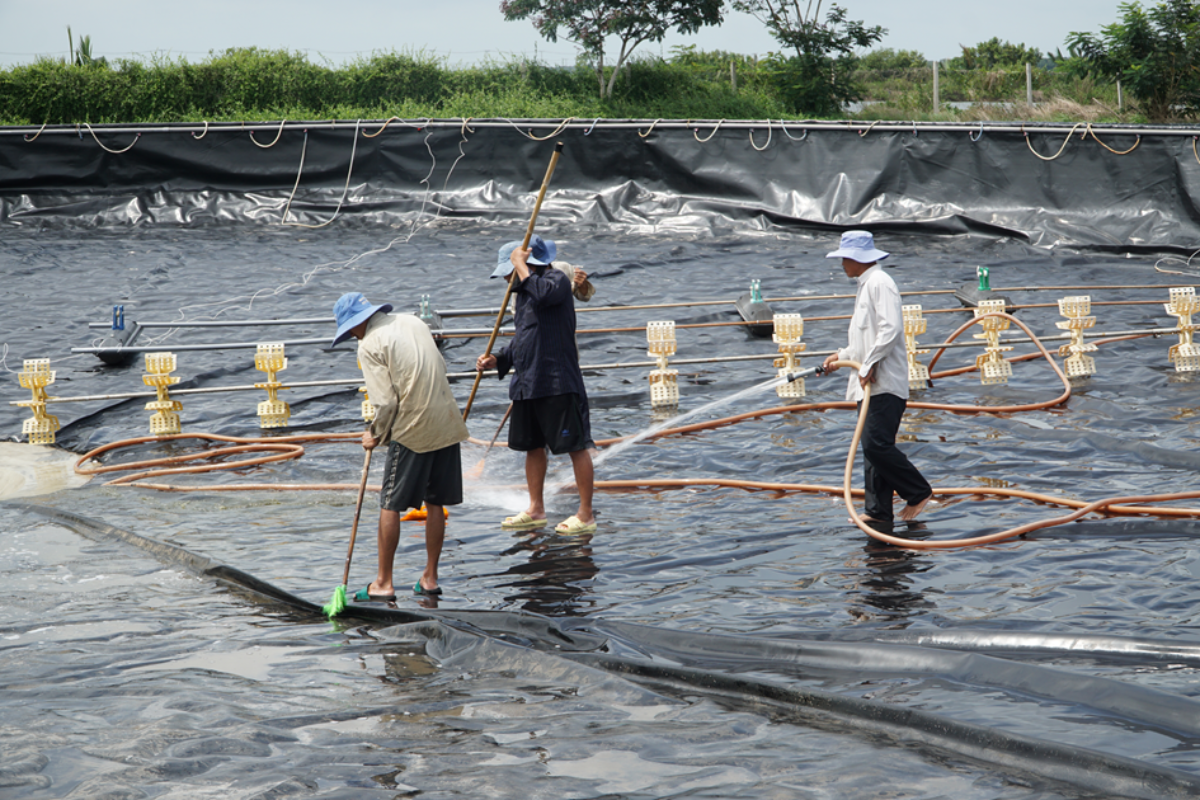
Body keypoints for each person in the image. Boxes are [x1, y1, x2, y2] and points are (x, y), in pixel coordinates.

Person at [331, 291, 470, 599]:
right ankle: (430, 579)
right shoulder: (412, 321)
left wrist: (375, 434)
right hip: (447, 417)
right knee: (436, 502)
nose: (352, 336)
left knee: (389, 504)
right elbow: (438, 367)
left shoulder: (369, 344)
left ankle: (383, 583)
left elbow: (385, 402)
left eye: (350, 330)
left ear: (357, 324)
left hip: (413, 425)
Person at [475, 234, 596, 535]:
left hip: (556, 380)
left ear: (527, 263)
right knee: (532, 447)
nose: (506, 277)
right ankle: (536, 508)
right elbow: (525, 337)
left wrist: (521, 266)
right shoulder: (523, 293)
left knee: (575, 447)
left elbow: (544, 294)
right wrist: (500, 360)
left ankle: (585, 514)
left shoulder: (554, 280)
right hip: (528, 382)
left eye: (509, 270)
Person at [821, 231, 933, 528]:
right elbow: (865, 339)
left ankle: (918, 491)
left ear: (858, 259)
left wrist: (869, 363)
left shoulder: (881, 283)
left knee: (876, 446)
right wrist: (841, 356)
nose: (842, 263)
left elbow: (890, 329)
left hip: (884, 383)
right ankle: (879, 511)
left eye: (845, 257)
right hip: (869, 383)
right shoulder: (866, 285)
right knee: (871, 449)